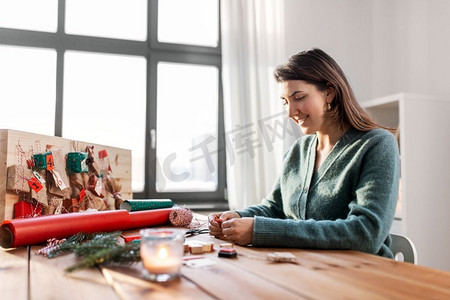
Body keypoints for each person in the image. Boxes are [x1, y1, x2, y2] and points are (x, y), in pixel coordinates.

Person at [208, 48, 400, 258]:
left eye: (298, 97)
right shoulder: (298, 151)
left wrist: (258, 231)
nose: (290, 112)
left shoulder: (377, 145)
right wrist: (236, 217)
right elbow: (274, 208)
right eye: (285, 102)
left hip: (364, 277)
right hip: (306, 269)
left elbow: (366, 234)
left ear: (329, 92)